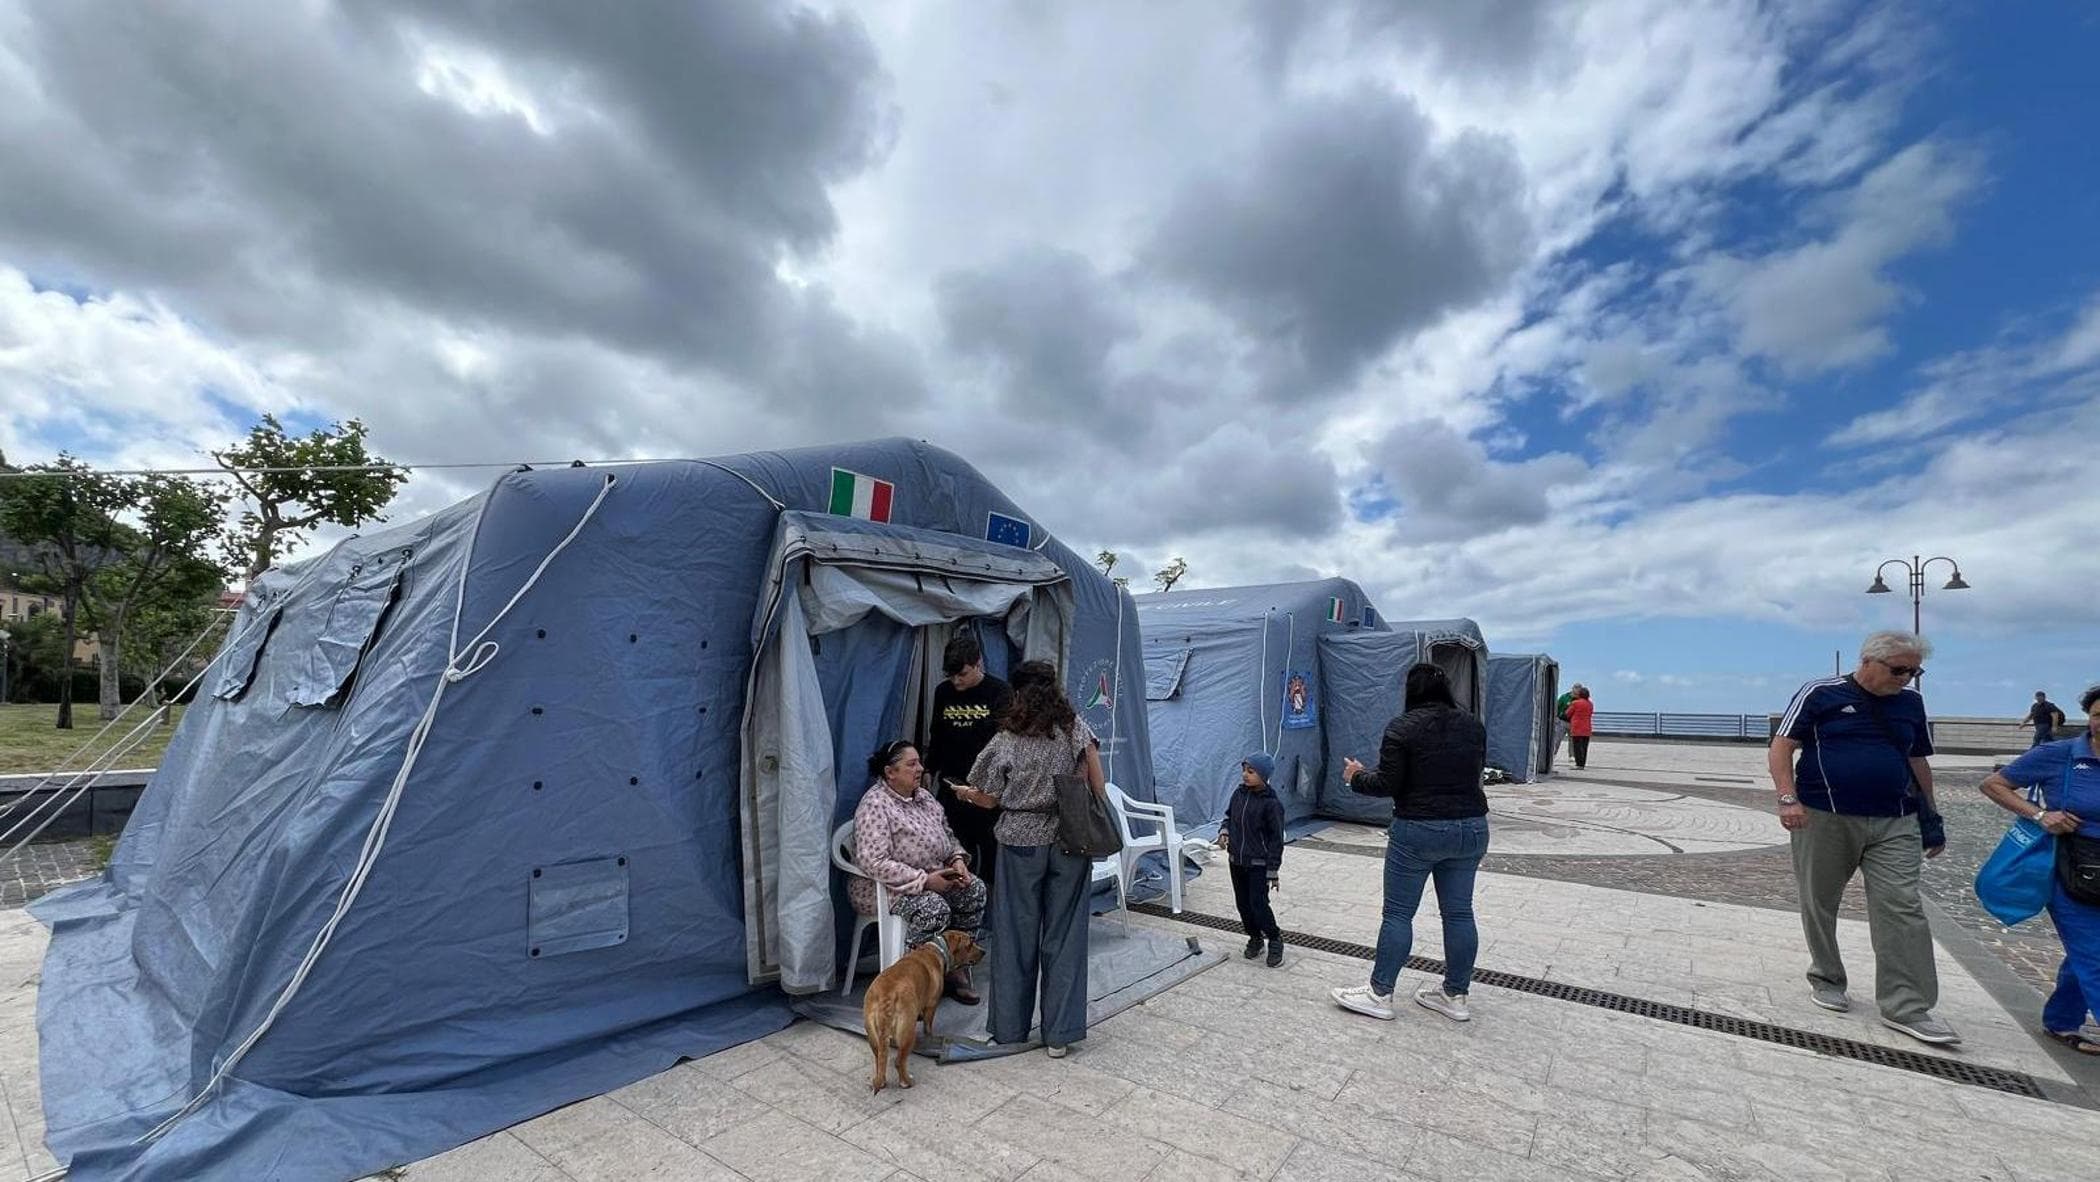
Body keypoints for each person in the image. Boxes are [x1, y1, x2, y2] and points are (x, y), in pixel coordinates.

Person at [1769, 631, 1956, 1045]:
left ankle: (1907, 1006)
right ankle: (1827, 976)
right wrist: (1788, 799)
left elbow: (1916, 759)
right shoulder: (1820, 692)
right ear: (1868, 661)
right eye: (1899, 669)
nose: (1906, 678)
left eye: (1914, 670)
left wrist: (1932, 814)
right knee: (1820, 900)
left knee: (1903, 906)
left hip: (1896, 819)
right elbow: (1782, 746)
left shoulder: (1911, 703)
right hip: (1824, 816)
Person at [951, 660, 1105, 1057]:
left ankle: (1009, 1030)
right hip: (1070, 841)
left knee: (1014, 938)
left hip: (1019, 841)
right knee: (1065, 937)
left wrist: (967, 794)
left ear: (1017, 693)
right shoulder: (1076, 730)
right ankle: (1060, 1035)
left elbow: (987, 797)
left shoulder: (1006, 738)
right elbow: (1098, 786)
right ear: (1054, 688)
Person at [1330, 663, 1490, 1024]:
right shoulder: (1473, 727)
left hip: (1419, 830)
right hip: (1472, 828)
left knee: (1399, 914)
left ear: (1411, 691)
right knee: (1460, 913)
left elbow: (1388, 784)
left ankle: (1380, 993)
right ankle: (1455, 994)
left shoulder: (1402, 727)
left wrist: (1355, 777)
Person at [1978, 684, 2100, 1055]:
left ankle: (2062, 1020)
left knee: (2088, 952)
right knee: (2094, 951)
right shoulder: (2060, 755)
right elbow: (1994, 784)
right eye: (2098, 716)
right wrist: (2042, 815)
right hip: (2075, 868)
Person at [851, 740, 986, 1004]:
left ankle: (954, 968)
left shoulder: (924, 798)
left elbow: (947, 836)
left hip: (934, 876)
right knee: (934, 908)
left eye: (919, 763)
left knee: (974, 890)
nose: (920, 769)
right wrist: (923, 881)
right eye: (911, 764)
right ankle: (913, 983)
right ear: (890, 772)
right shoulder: (876, 805)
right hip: (888, 888)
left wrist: (957, 860)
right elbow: (873, 861)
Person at [926, 633, 1013, 889]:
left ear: (978, 664)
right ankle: (959, 916)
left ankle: (989, 916)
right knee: (954, 854)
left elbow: (1006, 745)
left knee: (991, 855)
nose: (956, 681)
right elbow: (937, 734)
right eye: (951, 675)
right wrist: (930, 768)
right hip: (952, 786)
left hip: (987, 792)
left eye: (962, 674)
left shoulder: (1000, 692)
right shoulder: (943, 692)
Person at [1218, 752, 1286, 966]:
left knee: (1258, 904)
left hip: (1258, 864)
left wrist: (1273, 869)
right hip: (1236, 861)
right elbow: (1229, 817)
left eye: (1251, 771)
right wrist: (1225, 831)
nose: (1245, 775)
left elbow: (1276, 839)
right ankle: (1255, 937)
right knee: (1243, 904)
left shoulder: (1272, 804)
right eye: (1244, 770)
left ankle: (1274, 938)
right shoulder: (1238, 794)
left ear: (1264, 775)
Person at [1566, 686, 1594, 769]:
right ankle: (1583, 764)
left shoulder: (1575, 703)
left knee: (1577, 747)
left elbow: (1568, 713)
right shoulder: (1590, 704)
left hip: (1577, 727)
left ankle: (1579, 764)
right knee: (1584, 747)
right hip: (1587, 728)